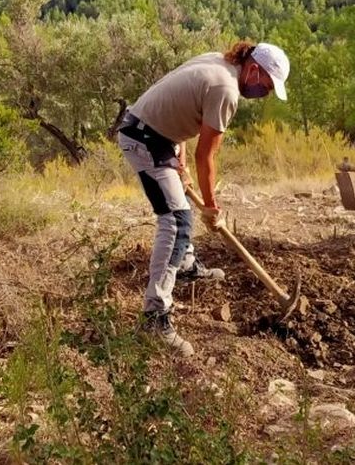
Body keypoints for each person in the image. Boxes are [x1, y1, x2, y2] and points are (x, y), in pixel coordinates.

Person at [117, 41, 290, 355]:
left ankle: (185, 266)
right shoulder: (226, 90)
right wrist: (211, 207)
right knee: (177, 220)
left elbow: (182, 113)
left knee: (180, 209)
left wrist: (179, 163)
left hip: (158, 136)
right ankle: (154, 317)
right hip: (143, 139)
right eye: (265, 86)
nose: (263, 94)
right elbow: (206, 155)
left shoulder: (219, 62)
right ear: (253, 69)